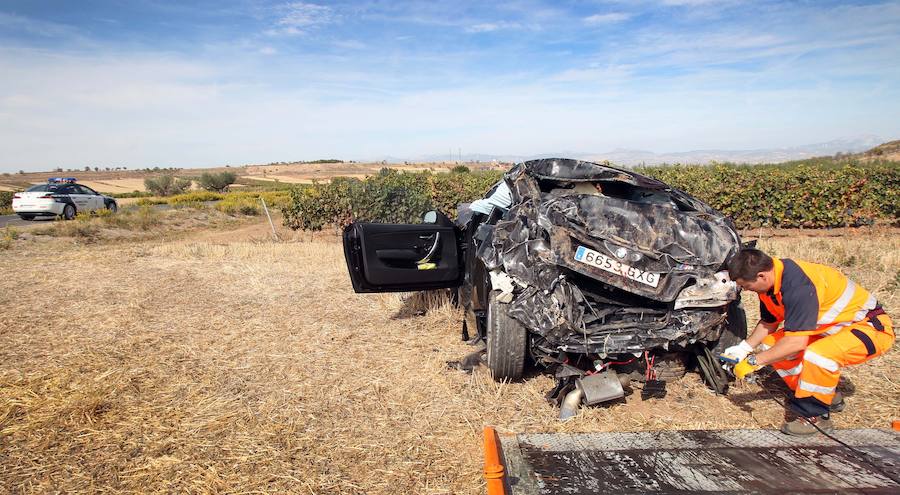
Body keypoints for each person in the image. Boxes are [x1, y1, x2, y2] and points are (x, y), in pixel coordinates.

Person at [722, 248, 894, 436]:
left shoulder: (798, 286)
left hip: (869, 329)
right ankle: (825, 394)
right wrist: (744, 349)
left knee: (818, 355)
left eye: (747, 286)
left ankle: (815, 415)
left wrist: (755, 361)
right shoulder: (771, 285)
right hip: (831, 329)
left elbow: (795, 343)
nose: (746, 291)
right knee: (772, 344)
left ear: (762, 276)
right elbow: (769, 322)